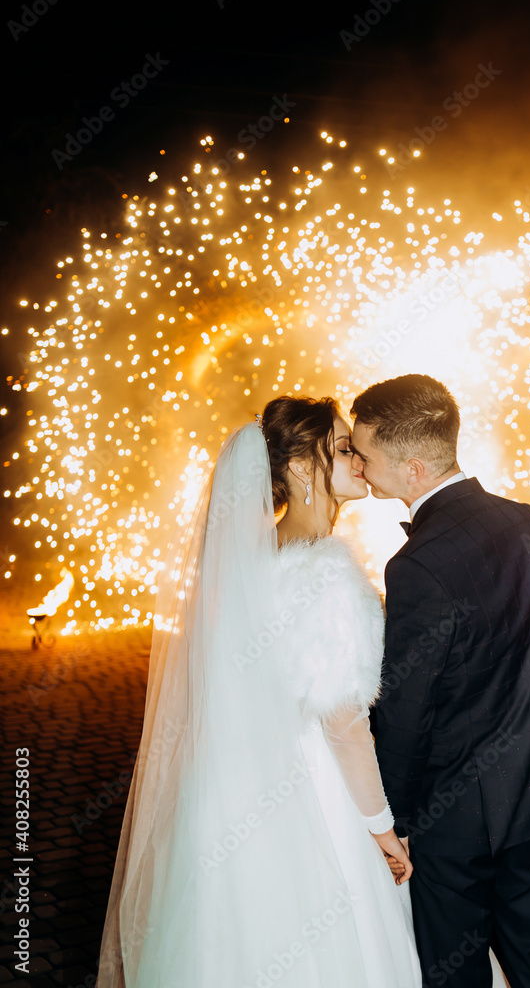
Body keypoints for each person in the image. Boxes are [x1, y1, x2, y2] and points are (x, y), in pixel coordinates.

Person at [95, 396, 421, 988]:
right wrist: (381, 829)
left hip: (231, 794)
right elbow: (344, 727)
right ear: (301, 468)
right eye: (344, 449)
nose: (361, 460)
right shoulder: (324, 572)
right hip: (315, 793)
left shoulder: (246, 563)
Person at [350, 374, 530, 988]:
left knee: (454, 975)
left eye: (365, 454)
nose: (360, 466)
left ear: (416, 467)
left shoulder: (418, 566)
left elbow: (405, 712)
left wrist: (389, 818)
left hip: (459, 821)